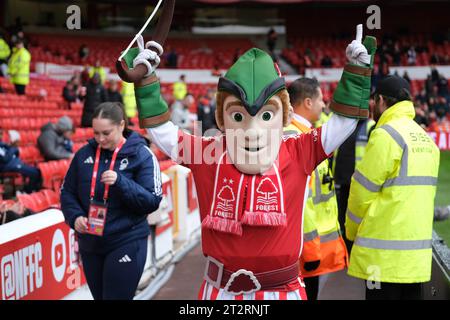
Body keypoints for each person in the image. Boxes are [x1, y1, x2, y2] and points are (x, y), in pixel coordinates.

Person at [119, 23, 375, 300]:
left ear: (284, 116)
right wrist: (146, 81)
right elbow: (164, 134)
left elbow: (342, 124)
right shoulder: (207, 153)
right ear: (222, 118)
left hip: (283, 291)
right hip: (222, 292)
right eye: (238, 117)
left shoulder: (298, 150)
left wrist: (357, 72)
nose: (252, 131)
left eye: (266, 116)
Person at [346, 75, 440, 300]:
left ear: (380, 101)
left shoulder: (385, 135)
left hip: (381, 259)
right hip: (415, 260)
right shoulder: (427, 140)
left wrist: (351, 232)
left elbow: (361, 193)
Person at [60, 102, 162, 300]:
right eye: (96, 133)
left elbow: (152, 200)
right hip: (91, 242)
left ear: (121, 125)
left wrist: (121, 182)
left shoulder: (141, 155)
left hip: (126, 239)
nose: (100, 139)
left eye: (106, 133)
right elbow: (67, 193)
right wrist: (75, 217)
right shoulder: (83, 155)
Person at [284, 78, 348, 300]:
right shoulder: (295, 136)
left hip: (307, 245)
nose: (324, 104)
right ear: (308, 102)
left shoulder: (304, 132)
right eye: (321, 99)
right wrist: (310, 248)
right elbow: (300, 199)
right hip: (303, 249)